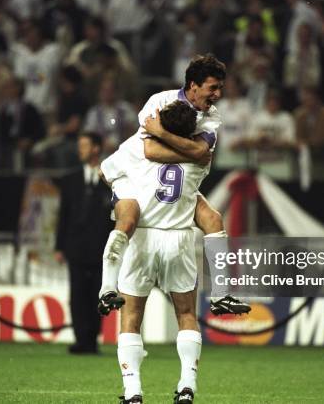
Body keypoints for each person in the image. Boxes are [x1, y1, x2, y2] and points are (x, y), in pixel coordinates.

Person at [97, 55, 250, 318]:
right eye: (213, 87)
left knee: (213, 219)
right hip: (128, 175)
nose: (218, 94)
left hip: (165, 178)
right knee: (129, 218)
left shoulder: (211, 117)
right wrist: (195, 154)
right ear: (193, 85)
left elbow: (198, 150)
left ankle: (221, 294)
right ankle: (107, 289)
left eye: (221, 88)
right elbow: (151, 150)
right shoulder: (159, 101)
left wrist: (167, 136)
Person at [112, 100, 204, 404]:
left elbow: (108, 170)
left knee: (131, 317)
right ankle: (187, 384)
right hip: (179, 238)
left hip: (143, 238)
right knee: (187, 314)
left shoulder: (141, 151)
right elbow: (194, 151)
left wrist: (153, 130)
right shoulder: (201, 161)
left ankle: (133, 392)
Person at [54, 132, 113, 355]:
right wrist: (59, 247)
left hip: (101, 248)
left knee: (97, 294)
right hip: (75, 247)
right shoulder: (70, 180)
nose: (80, 150)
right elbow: (63, 216)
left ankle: (92, 340)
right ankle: (81, 340)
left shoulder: (110, 178)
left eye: (84, 145)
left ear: (96, 149)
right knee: (77, 295)